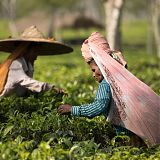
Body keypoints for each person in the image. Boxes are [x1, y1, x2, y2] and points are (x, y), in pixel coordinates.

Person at [58, 32, 160, 147]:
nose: (93, 75)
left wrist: (72, 109)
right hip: (137, 129)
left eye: (93, 70)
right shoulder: (121, 78)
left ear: (102, 64)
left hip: (126, 134)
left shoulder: (105, 84)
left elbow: (98, 107)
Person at [0, 25, 73, 97]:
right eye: (35, 51)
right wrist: (51, 88)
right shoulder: (16, 64)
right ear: (25, 50)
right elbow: (27, 82)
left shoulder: (29, 65)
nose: (37, 55)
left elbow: (26, 88)